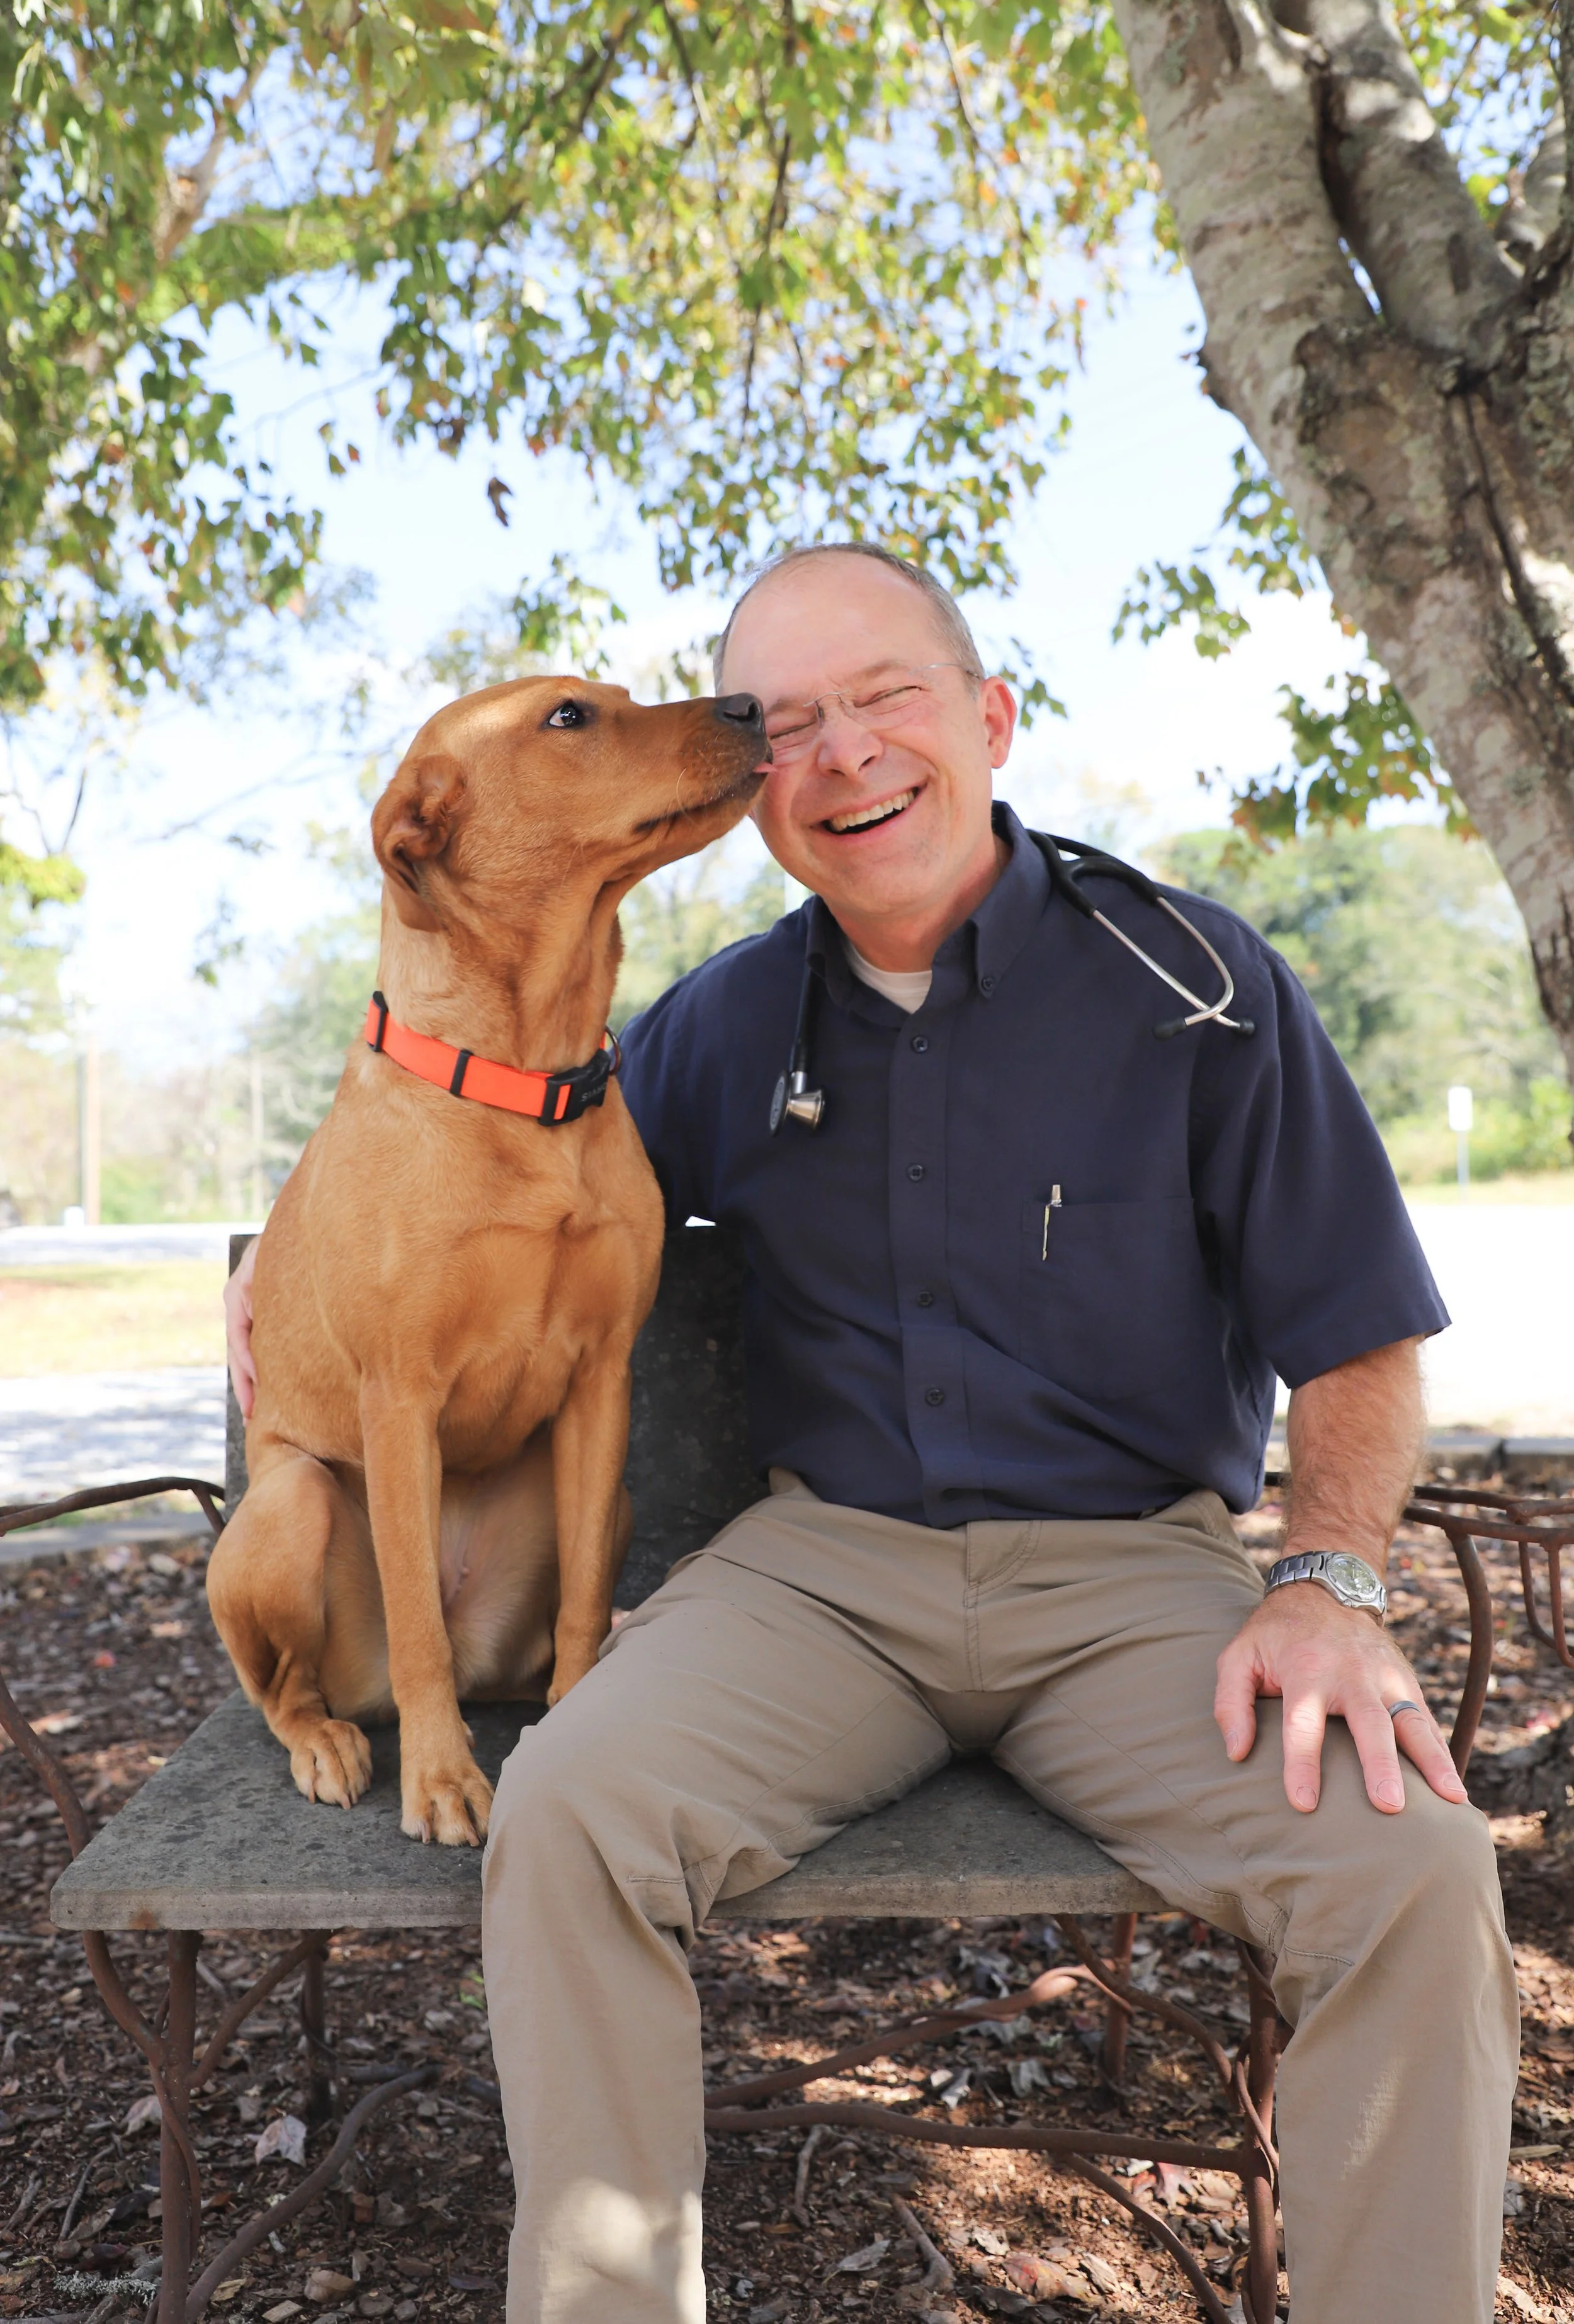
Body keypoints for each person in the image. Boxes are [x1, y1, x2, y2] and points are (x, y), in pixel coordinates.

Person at [225, 543, 1517, 2324]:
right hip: (819, 1575)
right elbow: (481, 1126)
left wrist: (1323, 1577)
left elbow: (1360, 1336)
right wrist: (291, 1277)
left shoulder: (1191, 981)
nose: (841, 754)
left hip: (1134, 1585)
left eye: (886, 698)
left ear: (986, 716)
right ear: (756, 786)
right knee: (576, 1807)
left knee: (1413, 1864)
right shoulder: (714, 1028)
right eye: (792, 723)